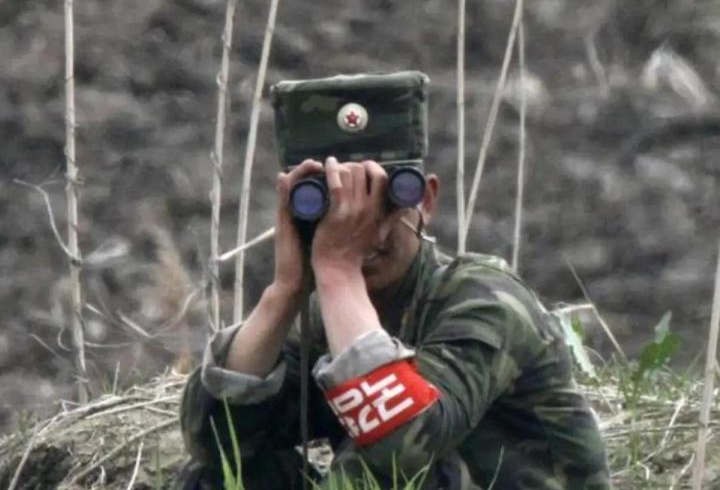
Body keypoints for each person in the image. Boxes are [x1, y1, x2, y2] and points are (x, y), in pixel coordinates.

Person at [175, 72, 611, 489]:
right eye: (338, 211)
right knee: (212, 480)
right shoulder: (320, 317)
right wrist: (285, 291)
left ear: (427, 201)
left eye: (387, 206)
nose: (370, 234)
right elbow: (215, 441)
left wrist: (340, 271)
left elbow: (405, 448)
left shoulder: (484, 299)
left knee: (385, 472)